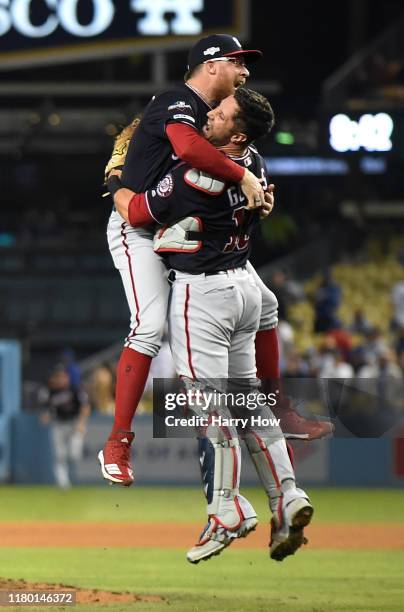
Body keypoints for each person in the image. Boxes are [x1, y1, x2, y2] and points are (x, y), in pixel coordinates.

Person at [100, 33, 330, 488]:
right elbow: (186, 150)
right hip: (140, 226)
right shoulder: (177, 101)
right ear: (210, 67)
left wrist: (257, 197)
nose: (245, 71)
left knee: (265, 302)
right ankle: (117, 442)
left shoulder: (224, 126)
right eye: (236, 63)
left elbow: (226, 177)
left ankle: (277, 407)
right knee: (149, 327)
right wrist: (243, 177)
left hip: (183, 229)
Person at [106, 88, 313, 564]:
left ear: (236, 133)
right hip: (245, 286)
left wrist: (117, 178)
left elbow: (135, 212)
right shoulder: (254, 163)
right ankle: (288, 494)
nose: (209, 115)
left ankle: (224, 508)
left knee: (211, 409)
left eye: (219, 115)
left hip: (203, 296)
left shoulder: (193, 176)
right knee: (248, 403)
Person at [39, 364, 90, 488]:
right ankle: (63, 485)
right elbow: (45, 409)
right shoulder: (49, 391)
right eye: (58, 377)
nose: (60, 379)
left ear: (67, 377)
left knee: (74, 454)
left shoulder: (75, 388)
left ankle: (72, 479)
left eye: (62, 376)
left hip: (74, 423)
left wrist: (82, 423)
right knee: (59, 455)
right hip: (58, 424)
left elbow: (85, 406)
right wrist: (45, 416)